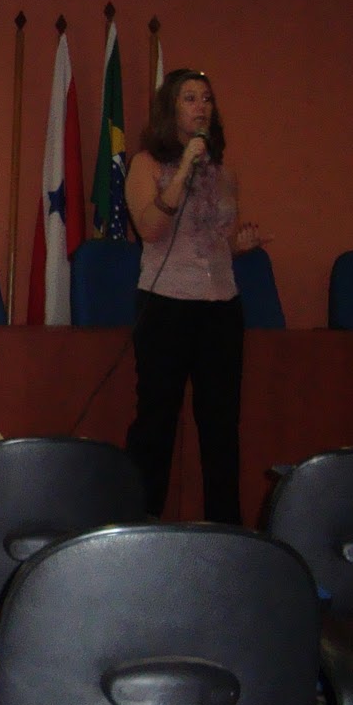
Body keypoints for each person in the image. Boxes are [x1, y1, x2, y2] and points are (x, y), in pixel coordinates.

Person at [123, 69, 268, 524]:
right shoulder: (146, 164)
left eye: (206, 98)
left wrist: (238, 245)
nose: (201, 106)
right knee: (156, 424)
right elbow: (150, 228)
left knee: (221, 428)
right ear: (172, 109)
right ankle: (142, 525)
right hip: (165, 306)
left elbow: (215, 241)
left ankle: (226, 530)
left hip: (221, 307)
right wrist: (184, 165)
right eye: (189, 98)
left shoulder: (226, 172)